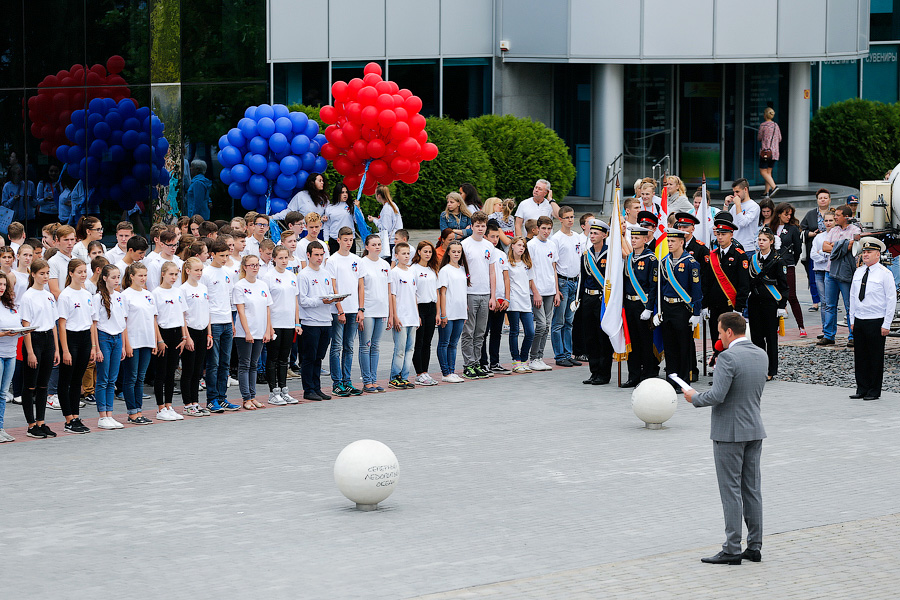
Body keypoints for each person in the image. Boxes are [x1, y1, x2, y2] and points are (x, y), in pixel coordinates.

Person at [684, 312, 768, 566]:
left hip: (729, 433)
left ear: (729, 332)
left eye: (720, 332)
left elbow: (717, 395)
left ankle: (732, 548)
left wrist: (693, 397)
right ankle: (754, 546)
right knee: (751, 490)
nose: (719, 337)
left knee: (730, 491)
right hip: (754, 429)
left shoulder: (728, 357)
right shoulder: (761, 354)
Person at [849, 237, 896, 401]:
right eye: (864, 252)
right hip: (860, 319)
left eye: (869, 252)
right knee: (860, 356)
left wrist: (887, 324)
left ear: (878, 254)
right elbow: (853, 296)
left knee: (875, 357)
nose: (865, 255)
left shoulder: (885, 274)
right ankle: (862, 387)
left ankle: (874, 390)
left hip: (876, 320)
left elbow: (891, 300)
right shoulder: (859, 271)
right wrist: (852, 320)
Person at [19, 259, 60, 438]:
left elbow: (53, 324)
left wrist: (56, 349)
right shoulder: (28, 296)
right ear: (33, 274)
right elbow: (26, 325)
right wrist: (30, 351)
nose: (45, 277)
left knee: (43, 384)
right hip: (34, 338)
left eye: (47, 273)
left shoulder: (49, 296)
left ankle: (41, 421)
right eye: (41, 273)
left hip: (48, 339)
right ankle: (31, 424)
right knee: (30, 385)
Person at [56, 259, 97, 433]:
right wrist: (65, 350)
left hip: (85, 338)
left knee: (77, 380)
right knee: (66, 379)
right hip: (70, 338)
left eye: (84, 271)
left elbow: (92, 322)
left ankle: (76, 416)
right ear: (71, 273)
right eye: (79, 272)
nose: (83, 275)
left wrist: (94, 346)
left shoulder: (87, 294)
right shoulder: (66, 295)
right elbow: (62, 324)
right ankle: (68, 419)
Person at [659, 228, 702, 390]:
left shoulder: (691, 263)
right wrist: (659, 310)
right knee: (669, 347)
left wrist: (696, 312)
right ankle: (671, 378)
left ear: (681, 243)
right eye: (668, 241)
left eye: (673, 241)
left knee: (683, 346)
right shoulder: (664, 262)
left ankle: (683, 380)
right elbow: (661, 288)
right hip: (667, 307)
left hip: (682, 309)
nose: (669, 244)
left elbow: (696, 289)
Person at [201, 239, 240, 413]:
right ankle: (211, 399)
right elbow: (205, 302)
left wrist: (232, 322)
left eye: (227, 255)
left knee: (225, 362)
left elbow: (229, 299)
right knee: (213, 363)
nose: (225, 258)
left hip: (226, 320)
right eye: (221, 255)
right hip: (214, 322)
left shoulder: (228, 273)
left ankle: (222, 398)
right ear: (213, 255)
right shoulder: (206, 273)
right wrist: (208, 329)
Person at [702, 217, 750, 355]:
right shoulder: (713, 256)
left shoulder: (739, 255)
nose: (720, 237)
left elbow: (743, 285)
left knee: (730, 338)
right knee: (715, 335)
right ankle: (717, 360)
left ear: (731, 235)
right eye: (718, 234)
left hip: (730, 305)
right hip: (714, 305)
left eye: (724, 234)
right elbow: (706, 282)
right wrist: (705, 304)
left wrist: (739, 308)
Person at [459, 211, 498, 379]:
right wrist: (462, 296)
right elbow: (461, 271)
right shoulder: (465, 245)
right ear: (472, 226)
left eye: (483, 226)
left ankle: (477, 362)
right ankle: (468, 364)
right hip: (470, 292)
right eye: (478, 226)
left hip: (485, 292)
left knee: (480, 331)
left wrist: (493, 295)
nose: (481, 229)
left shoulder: (489, 246)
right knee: (468, 330)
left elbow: (492, 272)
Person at [232, 254, 274, 410]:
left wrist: (268, 329)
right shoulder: (239, 286)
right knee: (245, 364)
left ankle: (253, 395)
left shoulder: (262, 285)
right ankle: (246, 398)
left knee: (254, 365)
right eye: (252, 265)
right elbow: (241, 312)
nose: (255, 267)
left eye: (257, 265)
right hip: (245, 333)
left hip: (260, 330)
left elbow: (268, 309)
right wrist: (247, 332)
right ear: (245, 267)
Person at [121, 263, 160, 425]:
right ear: (131, 276)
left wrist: (156, 341)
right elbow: (123, 322)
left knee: (140, 378)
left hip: (147, 340)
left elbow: (153, 319)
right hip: (133, 341)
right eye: (140, 275)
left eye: (145, 275)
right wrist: (126, 344)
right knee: (131, 377)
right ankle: (132, 412)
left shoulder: (148, 294)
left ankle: (139, 410)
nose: (143, 278)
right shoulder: (125, 295)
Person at [262, 246, 302, 406]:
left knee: (284, 358)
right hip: (275, 322)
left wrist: (297, 322)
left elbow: (295, 301)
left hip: (288, 323)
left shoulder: (292, 276)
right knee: (273, 357)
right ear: (274, 259)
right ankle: (273, 392)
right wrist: (269, 326)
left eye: (286, 258)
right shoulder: (268, 277)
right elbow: (266, 304)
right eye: (280, 258)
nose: (284, 261)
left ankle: (284, 389)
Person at [327, 226, 364, 397]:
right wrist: (339, 309)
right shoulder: (332, 260)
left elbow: (360, 286)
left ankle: (347, 381)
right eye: (345, 240)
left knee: (349, 346)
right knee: (336, 346)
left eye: (351, 240)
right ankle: (337, 382)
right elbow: (333, 286)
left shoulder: (357, 259)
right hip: (339, 311)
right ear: (339, 240)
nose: (348, 243)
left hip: (353, 309)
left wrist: (361, 309)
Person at [298, 241, 336, 401]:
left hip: (325, 321)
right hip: (310, 322)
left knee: (319, 357)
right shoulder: (304, 275)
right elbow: (303, 301)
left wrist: (332, 299)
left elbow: (329, 293)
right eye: (317, 255)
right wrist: (322, 301)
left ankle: (317, 387)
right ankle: (308, 389)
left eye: (322, 255)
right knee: (309, 357)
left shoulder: (326, 274)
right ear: (308, 255)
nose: (320, 258)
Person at [819, 205, 861, 347]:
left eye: (838, 215)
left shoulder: (855, 230)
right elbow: (825, 247)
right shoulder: (833, 230)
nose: (835, 217)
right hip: (831, 271)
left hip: (846, 272)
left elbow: (852, 246)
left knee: (850, 306)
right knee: (829, 305)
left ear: (846, 217)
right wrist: (841, 245)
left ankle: (853, 335)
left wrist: (834, 245)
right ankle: (829, 335)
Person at [748, 229, 788, 380]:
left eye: (764, 240)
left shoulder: (778, 260)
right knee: (756, 337)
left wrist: (781, 305)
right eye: (759, 239)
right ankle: (759, 368)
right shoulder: (753, 259)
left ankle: (771, 370)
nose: (761, 242)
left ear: (771, 242)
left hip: (771, 303)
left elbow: (784, 285)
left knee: (771, 338)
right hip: (755, 302)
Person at [151, 261, 188, 421]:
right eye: (171, 274)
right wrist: (159, 339)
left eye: (176, 274)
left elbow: (183, 316)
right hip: (163, 334)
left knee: (171, 373)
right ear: (163, 274)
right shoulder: (156, 293)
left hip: (176, 334)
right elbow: (154, 318)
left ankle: (169, 405)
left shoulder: (178, 292)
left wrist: (184, 336)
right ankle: (160, 408)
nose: (174, 277)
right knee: (161, 372)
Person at [622, 226, 658, 387]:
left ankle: (648, 374)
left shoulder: (651, 259)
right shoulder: (629, 259)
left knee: (645, 342)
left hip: (643, 305)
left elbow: (653, 286)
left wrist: (649, 308)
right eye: (632, 238)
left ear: (645, 240)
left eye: (637, 238)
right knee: (632, 342)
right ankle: (633, 375)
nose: (634, 240)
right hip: (630, 304)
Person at [578, 220, 613, 385]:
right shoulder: (586, 255)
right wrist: (578, 299)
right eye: (591, 233)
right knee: (590, 337)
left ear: (604, 235)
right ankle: (594, 372)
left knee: (602, 337)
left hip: (602, 299)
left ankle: (604, 373)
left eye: (596, 233)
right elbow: (582, 279)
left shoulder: (610, 254)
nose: (592, 236)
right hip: (588, 298)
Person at [92, 265, 127, 429]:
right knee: (103, 378)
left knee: (112, 378)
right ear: (104, 278)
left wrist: (124, 346)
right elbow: (94, 324)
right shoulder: (97, 298)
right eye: (113, 277)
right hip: (104, 337)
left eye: (118, 277)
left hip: (117, 337)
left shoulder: (120, 296)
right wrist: (96, 348)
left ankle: (110, 414)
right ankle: (102, 415)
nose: (116, 280)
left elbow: (123, 322)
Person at [548, 206, 582, 368]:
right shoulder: (557, 238)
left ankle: (568, 353)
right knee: (559, 321)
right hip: (563, 281)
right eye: (567, 217)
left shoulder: (576, 236)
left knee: (570, 321)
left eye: (572, 216)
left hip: (575, 280)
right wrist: (556, 289)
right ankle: (559, 354)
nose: (570, 220)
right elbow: (553, 265)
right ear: (560, 219)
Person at [179, 258, 212, 417]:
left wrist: (209, 333)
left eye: (201, 270)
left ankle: (196, 402)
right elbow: (182, 315)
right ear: (188, 271)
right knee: (189, 369)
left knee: (198, 370)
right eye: (196, 270)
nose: (199, 273)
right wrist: (186, 336)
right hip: (190, 331)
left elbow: (207, 311)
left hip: (202, 329)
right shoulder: (183, 289)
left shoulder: (204, 287)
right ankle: (187, 404)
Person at [358, 235, 391, 393]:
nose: (377, 247)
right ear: (366, 247)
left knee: (376, 346)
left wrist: (390, 313)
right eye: (374, 244)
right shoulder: (362, 263)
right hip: (368, 309)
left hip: (382, 309)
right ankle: (367, 381)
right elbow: (360, 287)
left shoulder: (385, 264)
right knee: (366, 345)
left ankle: (374, 379)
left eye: (379, 244)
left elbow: (389, 289)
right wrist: (361, 309)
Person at [526, 216, 559, 372]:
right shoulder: (531, 245)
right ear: (537, 228)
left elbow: (554, 269)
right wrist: (535, 292)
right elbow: (529, 270)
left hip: (550, 290)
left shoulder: (552, 244)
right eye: (543, 228)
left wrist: (557, 291)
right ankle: (533, 357)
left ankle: (539, 357)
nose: (546, 231)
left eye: (549, 228)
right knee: (541, 325)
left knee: (547, 325)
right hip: (537, 291)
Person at [480, 222, 511, 374]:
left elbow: (506, 278)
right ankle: (482, 362)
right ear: (485, 236)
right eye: (492, 236)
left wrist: (506, 298)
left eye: (497, 236)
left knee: (497, 332)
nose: (495, 240)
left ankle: (495, 362)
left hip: (500, 299)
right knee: (483, 332)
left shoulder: (501, 254)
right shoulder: (483, 252)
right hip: (486, 298)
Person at [436, 240, 469, 383]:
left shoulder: (462, 269)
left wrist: (465, 310)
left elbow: (463, 290)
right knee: (444, 342)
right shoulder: (445, 270)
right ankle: (445, 372)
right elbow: (442, 293)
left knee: (454, 343)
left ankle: (452, 370)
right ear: (448, 252)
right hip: (448, 312)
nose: (456, 254)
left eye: (459, 252)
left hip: (460, 312)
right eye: (454, 251)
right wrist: (443, 313)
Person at [388, 242, 418, 389]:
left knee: (410, 348)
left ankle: (405, 376)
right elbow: (392, 295)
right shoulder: (394, 272)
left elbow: (415, 295)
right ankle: (395, 376)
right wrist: (395, 316)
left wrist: (417, 315)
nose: (406, 256)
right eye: (403, 254)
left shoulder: (412, 271)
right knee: (399, 349)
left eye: (408, 253)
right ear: (396, 255)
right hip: (401, 316)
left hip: (412, 315)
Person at [773, 202, 805, 336]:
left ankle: (801, 326)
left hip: (788, 264)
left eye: (790, 214)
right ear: (779, 214)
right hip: (774, 265)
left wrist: (792, 261)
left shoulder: (793, 228)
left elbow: (798, 249)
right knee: (775, 295)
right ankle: (776, 325)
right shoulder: (771, 227)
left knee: (791, 295)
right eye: (786, 214)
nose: (788, 217)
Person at [411, 240, 440, 386]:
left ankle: (425, 372)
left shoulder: (432, 269)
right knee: (419, 342)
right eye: (425, 251)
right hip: (419, 308)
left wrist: (437, 312)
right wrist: (416, 314)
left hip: (431, 307)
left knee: (427, 343)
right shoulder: (414, 269)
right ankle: (419, 373)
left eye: (430, 252)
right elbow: (413, 293)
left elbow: (436, 292)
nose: (428, 254)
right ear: (419, 252)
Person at [800, 189, 832, 312]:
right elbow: (802, 229)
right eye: (820, 198)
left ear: (829, 200)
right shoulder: (810, 214)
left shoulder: (834, 213)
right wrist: (812, 234)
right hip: (813, 248)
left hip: (830, 248)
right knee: (813, 275)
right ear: (817, 200)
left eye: (825, 197)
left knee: (831, 277)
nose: (823, 200)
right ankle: (815, 302)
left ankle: (830, 301)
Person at [0, 273, 23, 441]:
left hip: (11, 352)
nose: (1, 287)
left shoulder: (10, 304)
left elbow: (18, 323)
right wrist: (3, 334)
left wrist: (23, 330)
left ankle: (1, 428)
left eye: (3, 284)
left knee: (2, 394)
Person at [809, 212, 835, 333]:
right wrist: (825, 256)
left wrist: (822, 253)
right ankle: (826, 329)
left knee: (831, 302)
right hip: (819, 271)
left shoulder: (837, 236)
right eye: (826, 221)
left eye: (831, 220)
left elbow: (835, 254)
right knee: (824, 302)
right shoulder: (819, 237)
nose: (828, 223)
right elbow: (813, 254)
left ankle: (830, 329)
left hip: (832, 271)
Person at [723, 178, 760, 260]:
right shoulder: (735, 206)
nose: (735, 195)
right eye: (734, 192)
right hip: (733, 247)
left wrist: (738, 205)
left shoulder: (754, 206)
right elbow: (726, 222)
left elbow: (743, 223)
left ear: (745, 189)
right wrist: (726, 205)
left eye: (737, 192)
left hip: (747, 249)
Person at [368, 184, 402, 260]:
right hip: (395, 239)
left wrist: (374, 220)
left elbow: (385, 228)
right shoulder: (392, 205)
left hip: (390, 242)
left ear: (379, 196)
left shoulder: (386, 209)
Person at [324, 183, 357, 255]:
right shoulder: (330, 208)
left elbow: (358, 221)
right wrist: (326, 242)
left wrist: (358, 209)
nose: (345, 194)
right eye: (342, 192)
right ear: (337, 193)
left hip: (349, 240)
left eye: (346, 192)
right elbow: (326, 226)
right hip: (334, 240)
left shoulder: (352, 206)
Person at [757, 107, 782, 197]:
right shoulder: (776, 125)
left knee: (763, 172)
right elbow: (780, 138)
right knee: (768, 172)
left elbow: (759, 138)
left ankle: (774, 187)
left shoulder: (763, 125)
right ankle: (766, 193)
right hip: (775, 153)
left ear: (765, 115)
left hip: (766, 152)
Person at [35, 165, 60, 230]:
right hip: (45, 214)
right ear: (47, 172)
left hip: (56, 213)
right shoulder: (42, 183)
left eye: (56, 171)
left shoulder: (60, 184)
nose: (53, 173)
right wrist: (45, 200)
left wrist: (59, 190)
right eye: (51, 171)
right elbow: (37, 201)